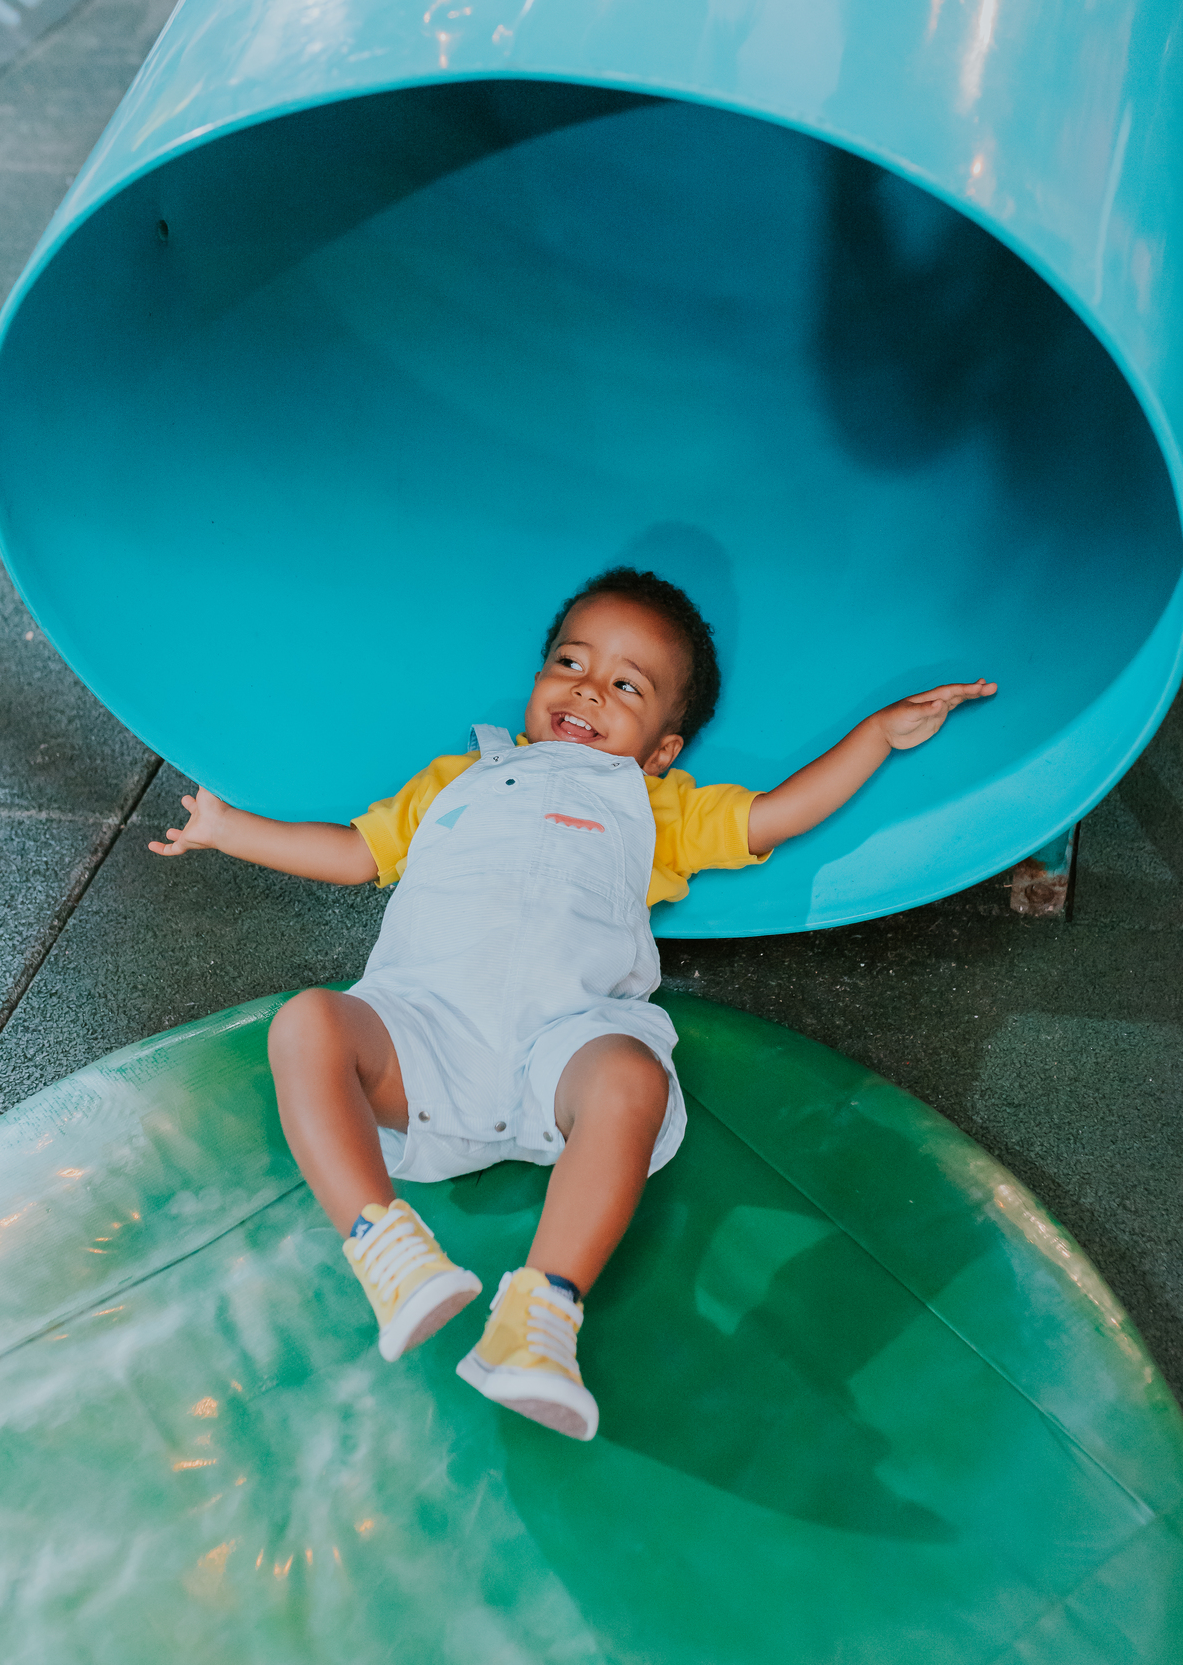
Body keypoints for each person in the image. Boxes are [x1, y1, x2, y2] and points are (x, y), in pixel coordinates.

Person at [150, 567, 995, 1441]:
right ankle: (387, 1250)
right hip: (425, 1038)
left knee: (634, 1080)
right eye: (571, 662)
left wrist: (876, 738)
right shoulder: (456, 777)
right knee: (309, 1022)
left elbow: (776, 816)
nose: (588, 687)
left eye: (626, 686)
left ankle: (540, 1320)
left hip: (565, 1048)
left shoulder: (659, 807)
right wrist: (227, 830)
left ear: (663, 749)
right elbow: (356, 854)